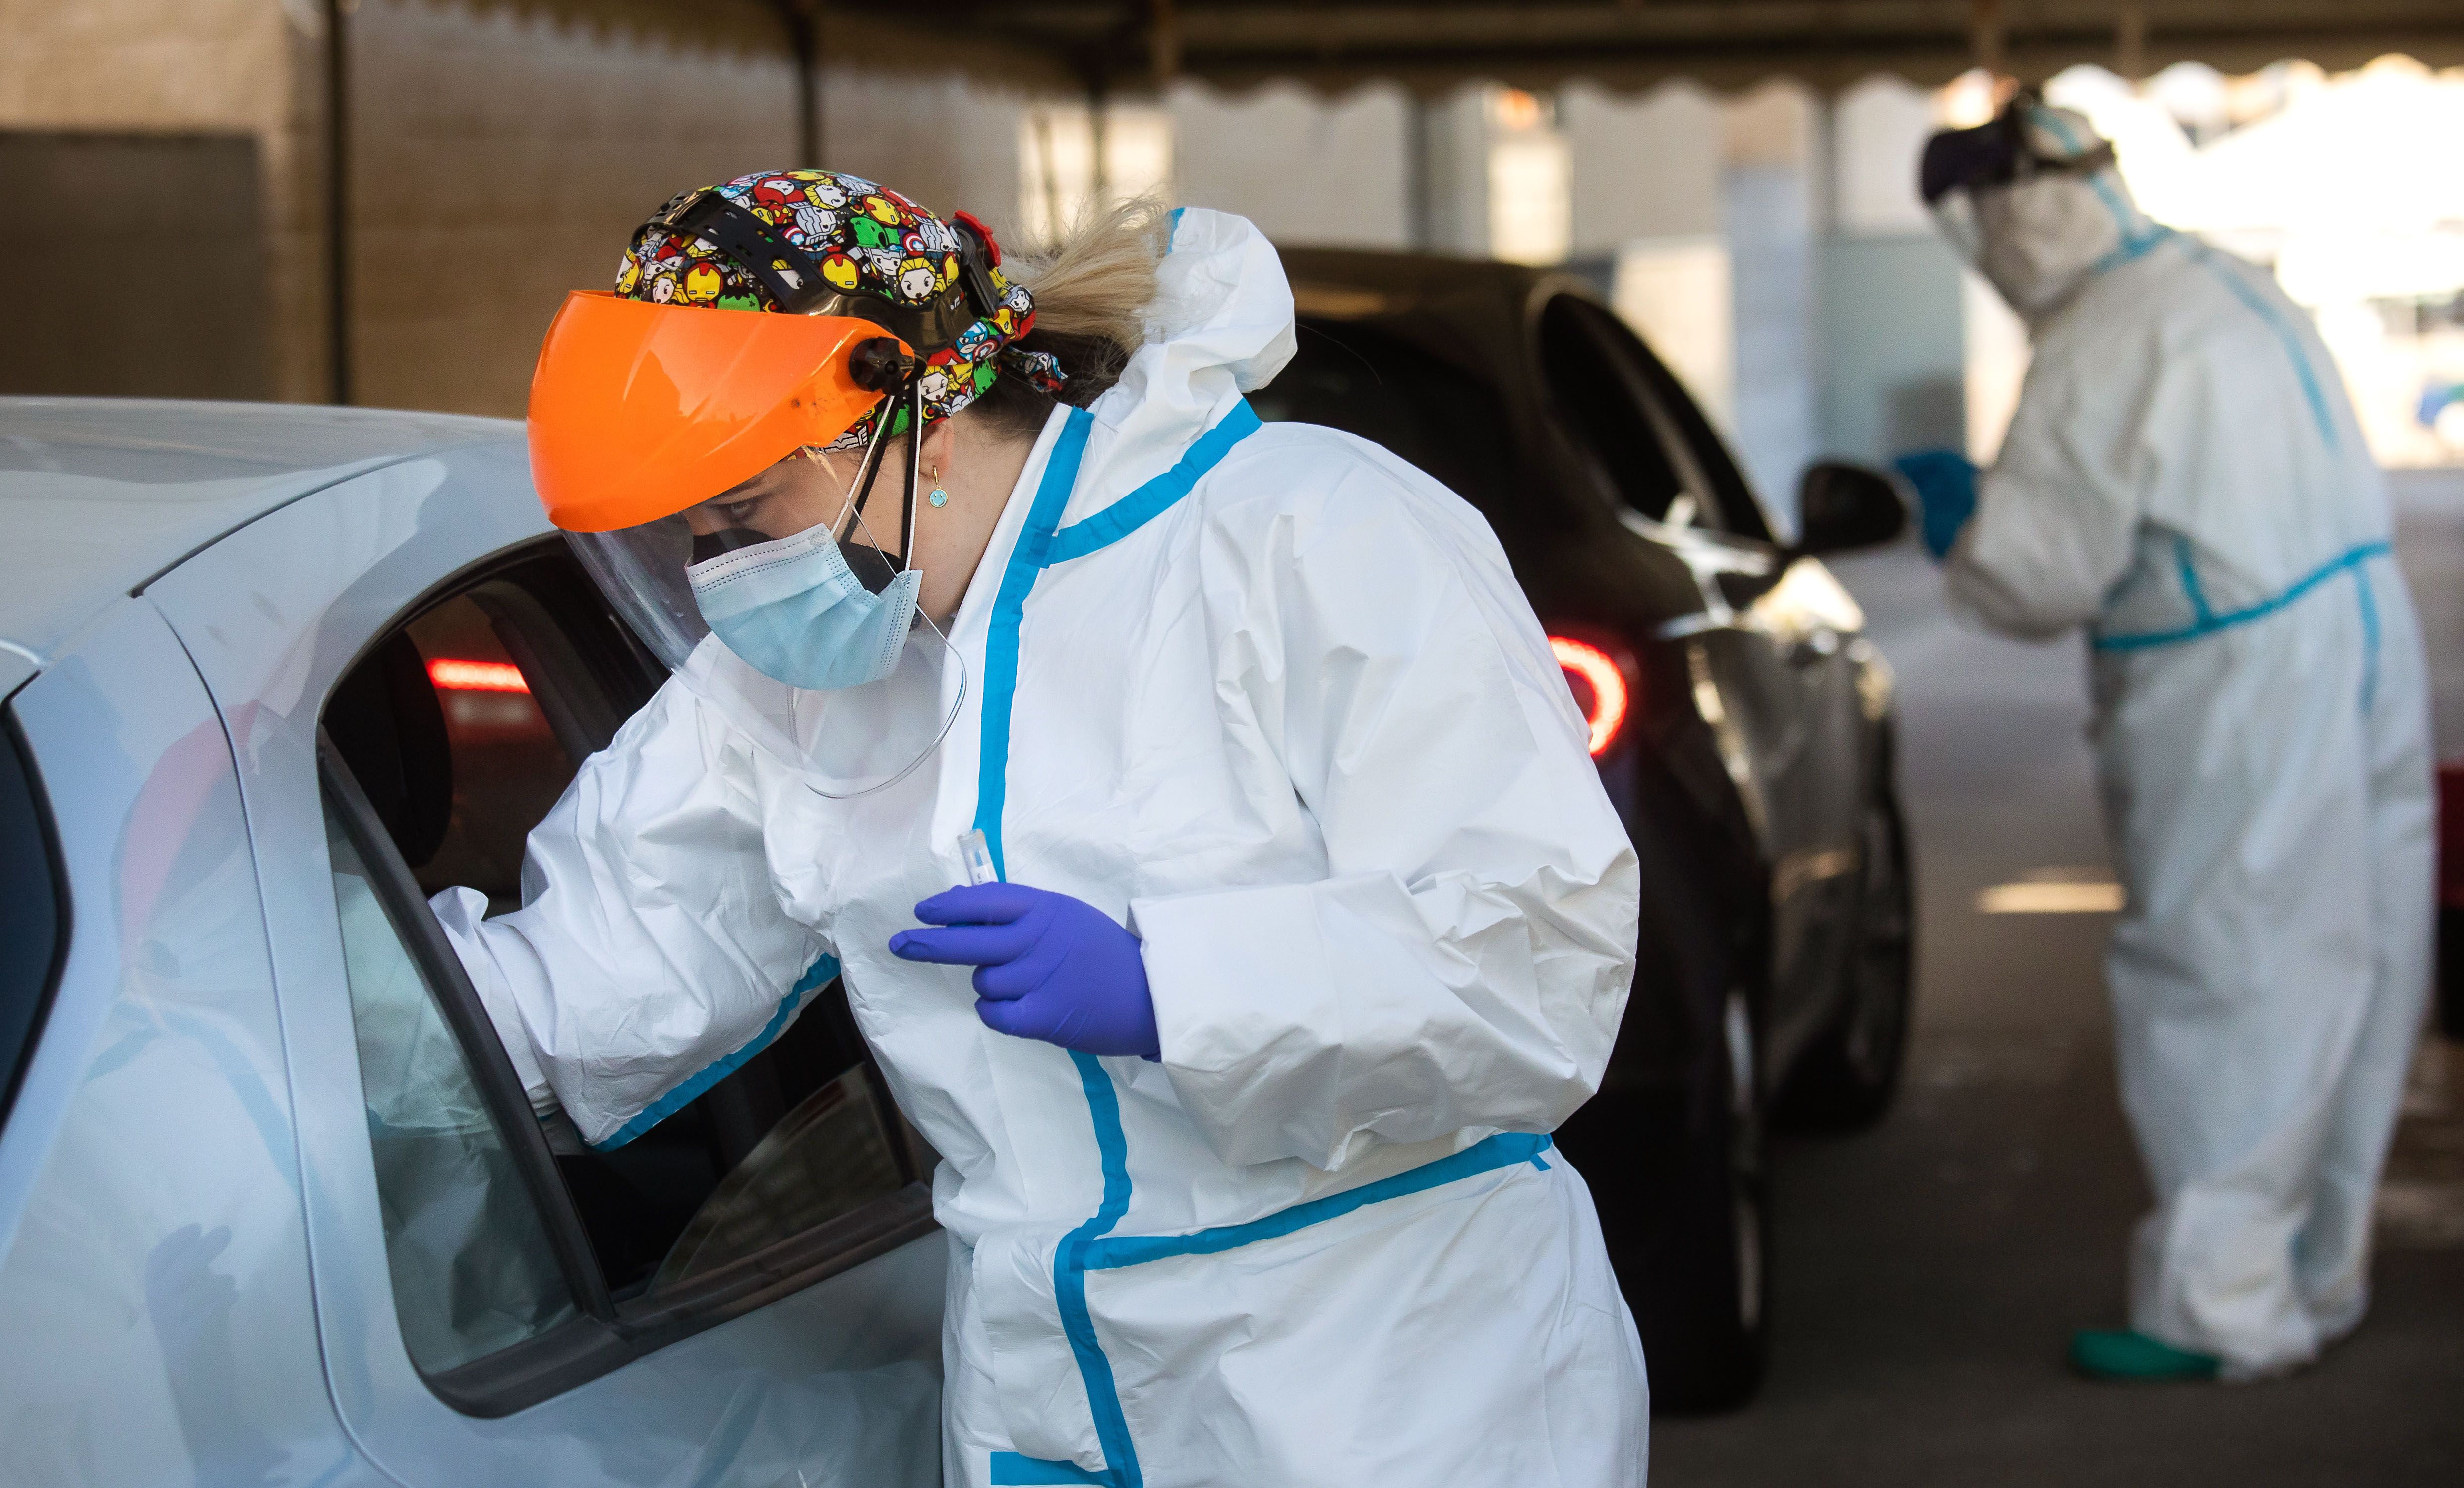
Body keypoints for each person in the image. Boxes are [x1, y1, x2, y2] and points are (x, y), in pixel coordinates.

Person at [443, 168, 1650, 1484]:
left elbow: (1540, 963)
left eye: (743, 517)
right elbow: (595, 979)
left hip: (1387, 1380)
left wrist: (1171, 989)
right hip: (1051, 1400)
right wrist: (339, 1023)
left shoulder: (1303, 529)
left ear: (918, 414)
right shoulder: (794, 687)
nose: (724, 575)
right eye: (692, 539)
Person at [1906, 96, 2434, 1382]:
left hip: (2236, 678)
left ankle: (2218, 1310)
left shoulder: (2101, 340)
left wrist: (1962, 528)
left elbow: (2037, 577)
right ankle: (2313, 1272)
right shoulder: (2218, 285)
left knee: (2231, 969)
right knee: (2352, 954)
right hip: (2357, 631)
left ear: (2001, 216)